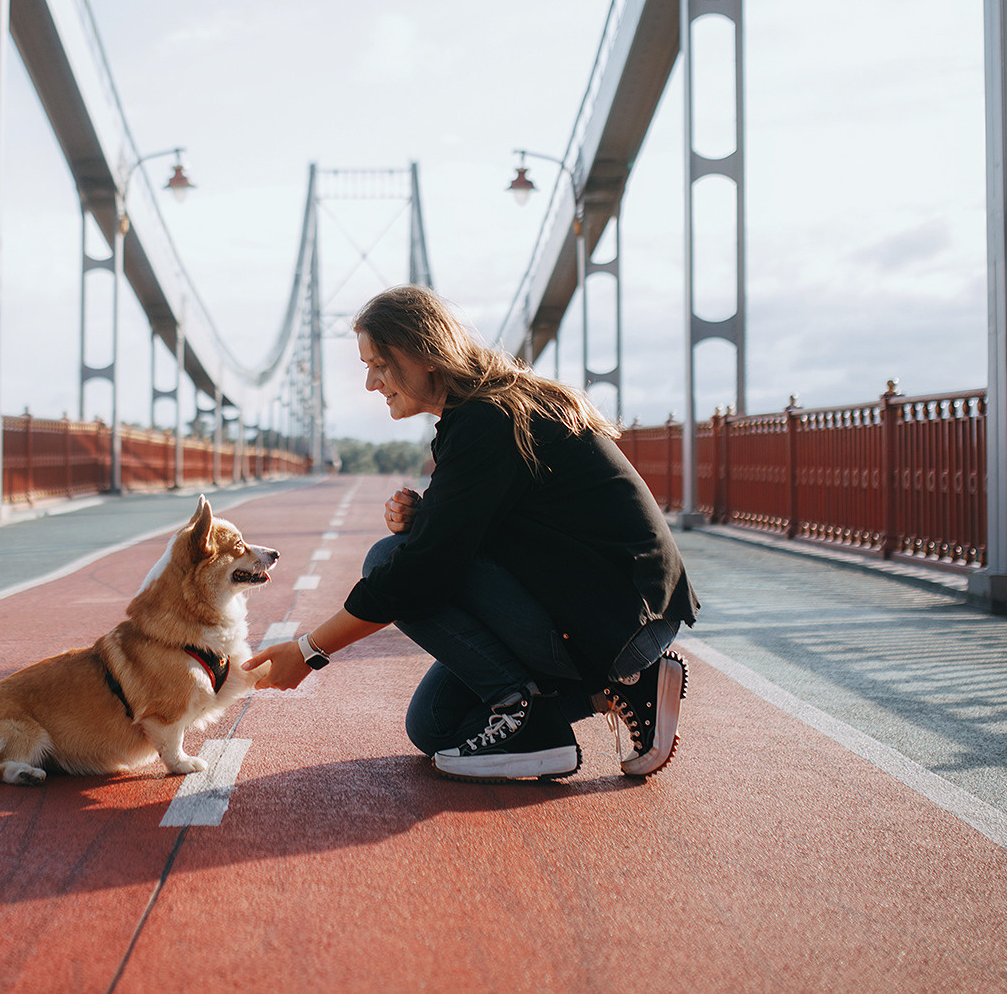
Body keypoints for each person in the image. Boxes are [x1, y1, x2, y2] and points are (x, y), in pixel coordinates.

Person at [243, 284, 698, 781]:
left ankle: (531, 719)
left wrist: (309, 651)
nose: (371, 383)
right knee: (435, 726)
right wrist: (430, 520)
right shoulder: (485, 410)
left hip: (616, 619)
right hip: (606, 609)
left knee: (388, 559)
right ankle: (622, 686)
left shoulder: (489, 419)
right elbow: (505, 522)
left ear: (422, 354)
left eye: (378, 364)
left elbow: (422, 573)